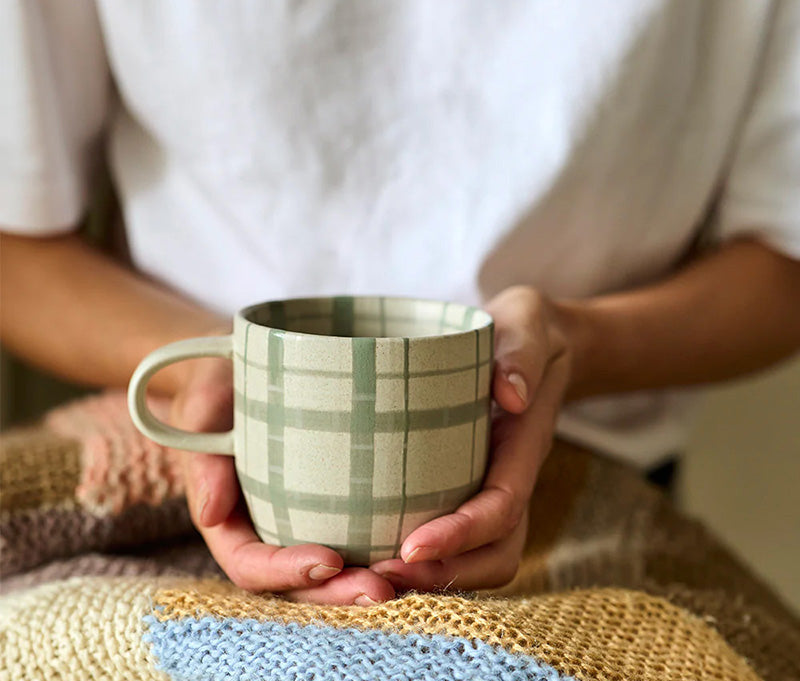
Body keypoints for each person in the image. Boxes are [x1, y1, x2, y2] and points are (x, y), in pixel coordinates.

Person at [2, 1, 799, 606]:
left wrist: (575, 345)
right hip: (185, 469)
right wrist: (204, 367)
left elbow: (783, 260)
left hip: (599, 483)